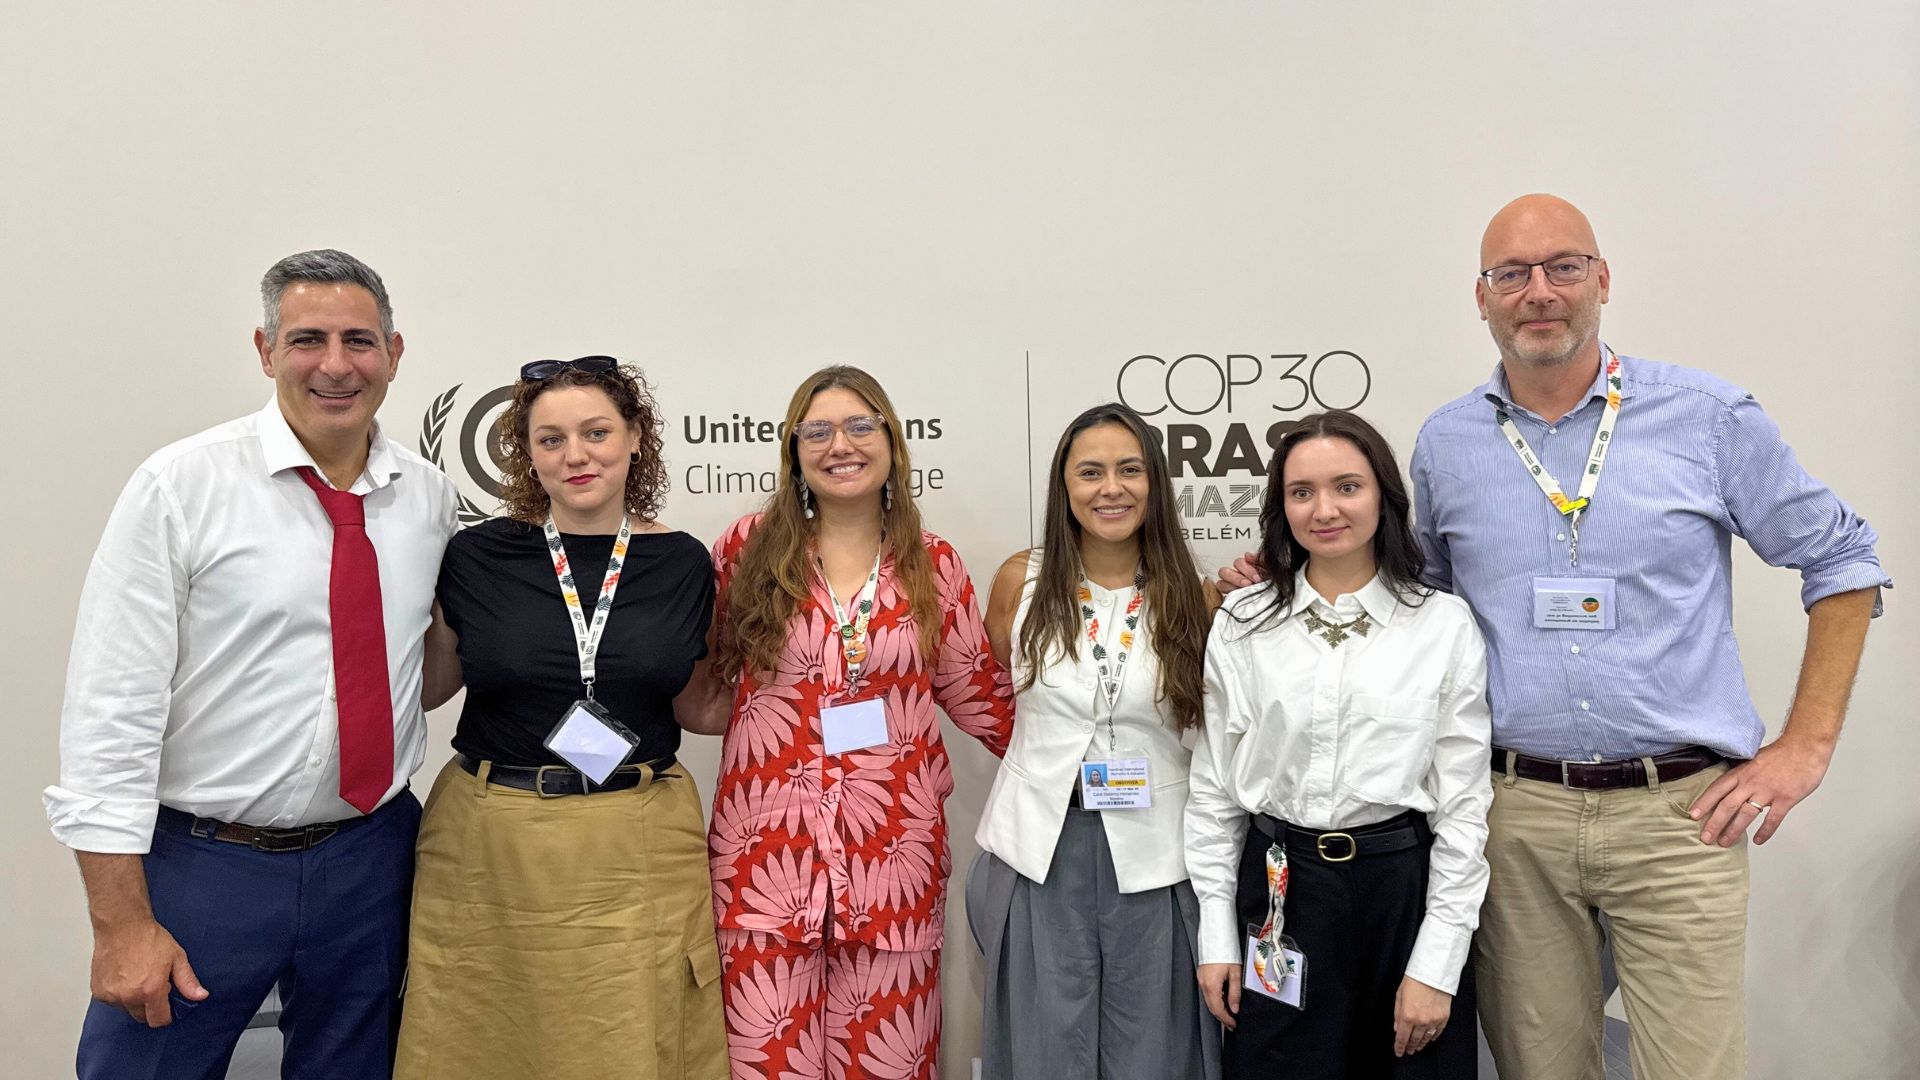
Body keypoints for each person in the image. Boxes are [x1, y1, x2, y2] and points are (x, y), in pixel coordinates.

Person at [1409, 194, 1887, 1079]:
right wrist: (1273, 580)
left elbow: (1845, 561)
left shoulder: (1707, 417)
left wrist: (1806, 746)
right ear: (1481, 298)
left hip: (1681, 818)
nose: (1538, 291)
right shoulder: (1446, 446)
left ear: (1601, 279)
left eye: (1562, 267)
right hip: (1516, 820)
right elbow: (1421, 605)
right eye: (1511, 274)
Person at [45, 250, 458, 1078]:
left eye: (359, 340)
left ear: (396, 353)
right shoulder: (181, 486)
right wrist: (120, 925)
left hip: (371, 856)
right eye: (307, 339)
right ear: (266, 351)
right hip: (204, 867)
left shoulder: (427, 496)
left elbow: (411, 671)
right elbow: (110, 711)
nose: (336, 365)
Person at [394, 356, 727, 1079]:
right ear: (527, 454)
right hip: (492, 841)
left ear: (636, 438)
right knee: (475, 1036)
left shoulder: (682, 563)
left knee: (636, 1039)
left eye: (596, 432)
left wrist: (822, 690)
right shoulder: (476, 556)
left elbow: (702, 705)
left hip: (635, 840)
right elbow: (425, 687)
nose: (575, 455)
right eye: (550, 439)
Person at [703, 364, 1015, 1079]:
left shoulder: (933, 564)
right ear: (793, 450)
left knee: (892, 1066)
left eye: (858, 425)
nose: (839, 444)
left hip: (893, 868)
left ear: (892, 443)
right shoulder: (746, 549)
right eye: (817, 430)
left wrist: (1097, 750)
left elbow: (980, 697)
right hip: (764, 869)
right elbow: (702, 678)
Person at [1188, 410, 1491, 1079]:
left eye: (1346, 487)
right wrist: (1218, 938)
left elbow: (1464, 810)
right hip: (1281, 894)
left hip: (1401, 894)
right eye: (1301, 492)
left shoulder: (1441, 625)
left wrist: (1436, 963)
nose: (1324, 509)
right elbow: (1214, 790)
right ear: (1281, 507)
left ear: (1384, 496)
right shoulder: (1243, 622)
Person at [968, 402, 1222, 1080]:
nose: (1111, 488)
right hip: (1038, 850)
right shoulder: (1019, 580)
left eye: (1130, 470)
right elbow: (997, 679)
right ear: (1065, 487)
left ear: (1155, 483)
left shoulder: (1194, 596)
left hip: (1155, 854)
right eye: (1091, 472)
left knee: (1155, 1054)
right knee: (1043, 1053)